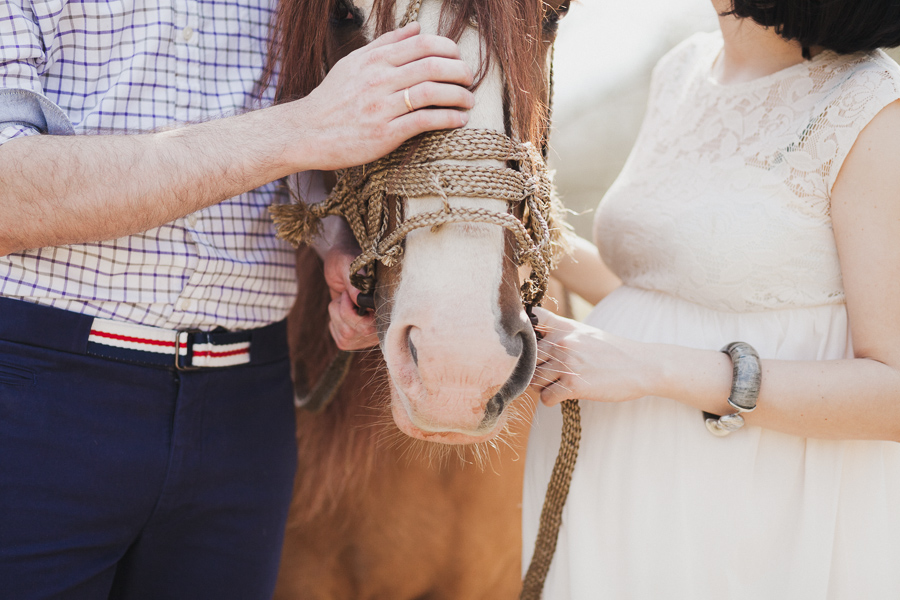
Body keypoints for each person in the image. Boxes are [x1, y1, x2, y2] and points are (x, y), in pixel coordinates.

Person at [0, 0, 475, 597]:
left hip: (247, 412)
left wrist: (333, 242)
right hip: (35, 393)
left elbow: (301, 143)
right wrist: (299, 127)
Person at [523, 0, 900, 597]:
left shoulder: (874, 106)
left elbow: (893, 394)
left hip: (751, 514)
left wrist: (646, 366)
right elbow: (672, 294)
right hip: (622, 482)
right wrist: (512, 232)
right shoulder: (685, 67)